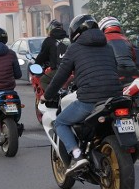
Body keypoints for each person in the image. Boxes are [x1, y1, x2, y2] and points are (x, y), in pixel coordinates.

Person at [43, 14, 122, 175]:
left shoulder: (74, 48)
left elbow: (61, 75)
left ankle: (77, 156)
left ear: (75, 32)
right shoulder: (107, 46)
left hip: (90, 99)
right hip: (115, 97)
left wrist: (47, 94)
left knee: (60, 123)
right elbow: (113, 69)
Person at [98, 16, 139, 85]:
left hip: (116, 72)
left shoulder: (103, 39)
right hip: (132, 69)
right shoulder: (126, 39)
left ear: (103, 28)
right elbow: (134, 57)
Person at [34, 19, 70, 92]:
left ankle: (53, 96)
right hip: (73, 70)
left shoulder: (49, 41)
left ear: (50, 29)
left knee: (43, 80)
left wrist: (36, 64)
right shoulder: (69, 39)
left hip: (58, 70)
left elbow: (42, 56)